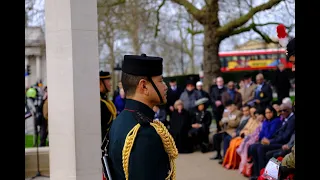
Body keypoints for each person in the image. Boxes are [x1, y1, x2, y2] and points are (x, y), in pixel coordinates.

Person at [108, 54, 178, 180]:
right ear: (144, 86)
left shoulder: (119, 121)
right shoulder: (144, 133)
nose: (165, 86)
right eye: (161, 81)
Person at [100, 71, 117, 142]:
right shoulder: (100, 104)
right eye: (108, 81)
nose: (110, 84)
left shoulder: (105, 101)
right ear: (100, 83)